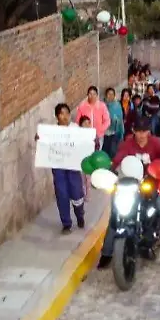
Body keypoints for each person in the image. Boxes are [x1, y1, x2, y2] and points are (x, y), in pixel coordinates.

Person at [96, 119, 160, 269]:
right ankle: (107, 253)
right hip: (132, 185)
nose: (141, 135)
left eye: (144, 131)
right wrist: (110, 169)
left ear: (148, 131)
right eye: (138, 131)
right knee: (115, 216)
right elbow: (118, 158)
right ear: (133, 131)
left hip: (153, 185)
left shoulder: (156, 143)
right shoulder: (127, 144)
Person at [48, 104, 85, 234]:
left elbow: (83, 144)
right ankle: (66, 224)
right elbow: (44, 144)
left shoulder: (75, 129)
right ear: (57, 116)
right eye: (61, 114)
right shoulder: (51, 131)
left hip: (73, 167)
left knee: (76, 193)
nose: (64, 116)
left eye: (67, 113)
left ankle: (80, 215)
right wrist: (40, 138)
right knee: (61, 194)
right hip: (58, 167)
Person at [76, 85, 111, 149]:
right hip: (86, 136)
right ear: (87, 95)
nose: (92, 96)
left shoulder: (102, 106)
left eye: (94, 94)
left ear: (97, 95)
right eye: (90, 94)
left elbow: (107, 120)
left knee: (97, 152)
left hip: (98, 136)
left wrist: (100, 130)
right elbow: (78, 121)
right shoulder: (82, 106)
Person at [103, 87, 125, 158]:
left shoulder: (117, 105)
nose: (110, 96)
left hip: (115, 131)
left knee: (113, 151)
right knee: (104, 150)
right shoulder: (103, 105)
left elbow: (120, 118)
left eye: (112, 94)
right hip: (105, 132)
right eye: (109, 94)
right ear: (106, 95)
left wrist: (121, 131)